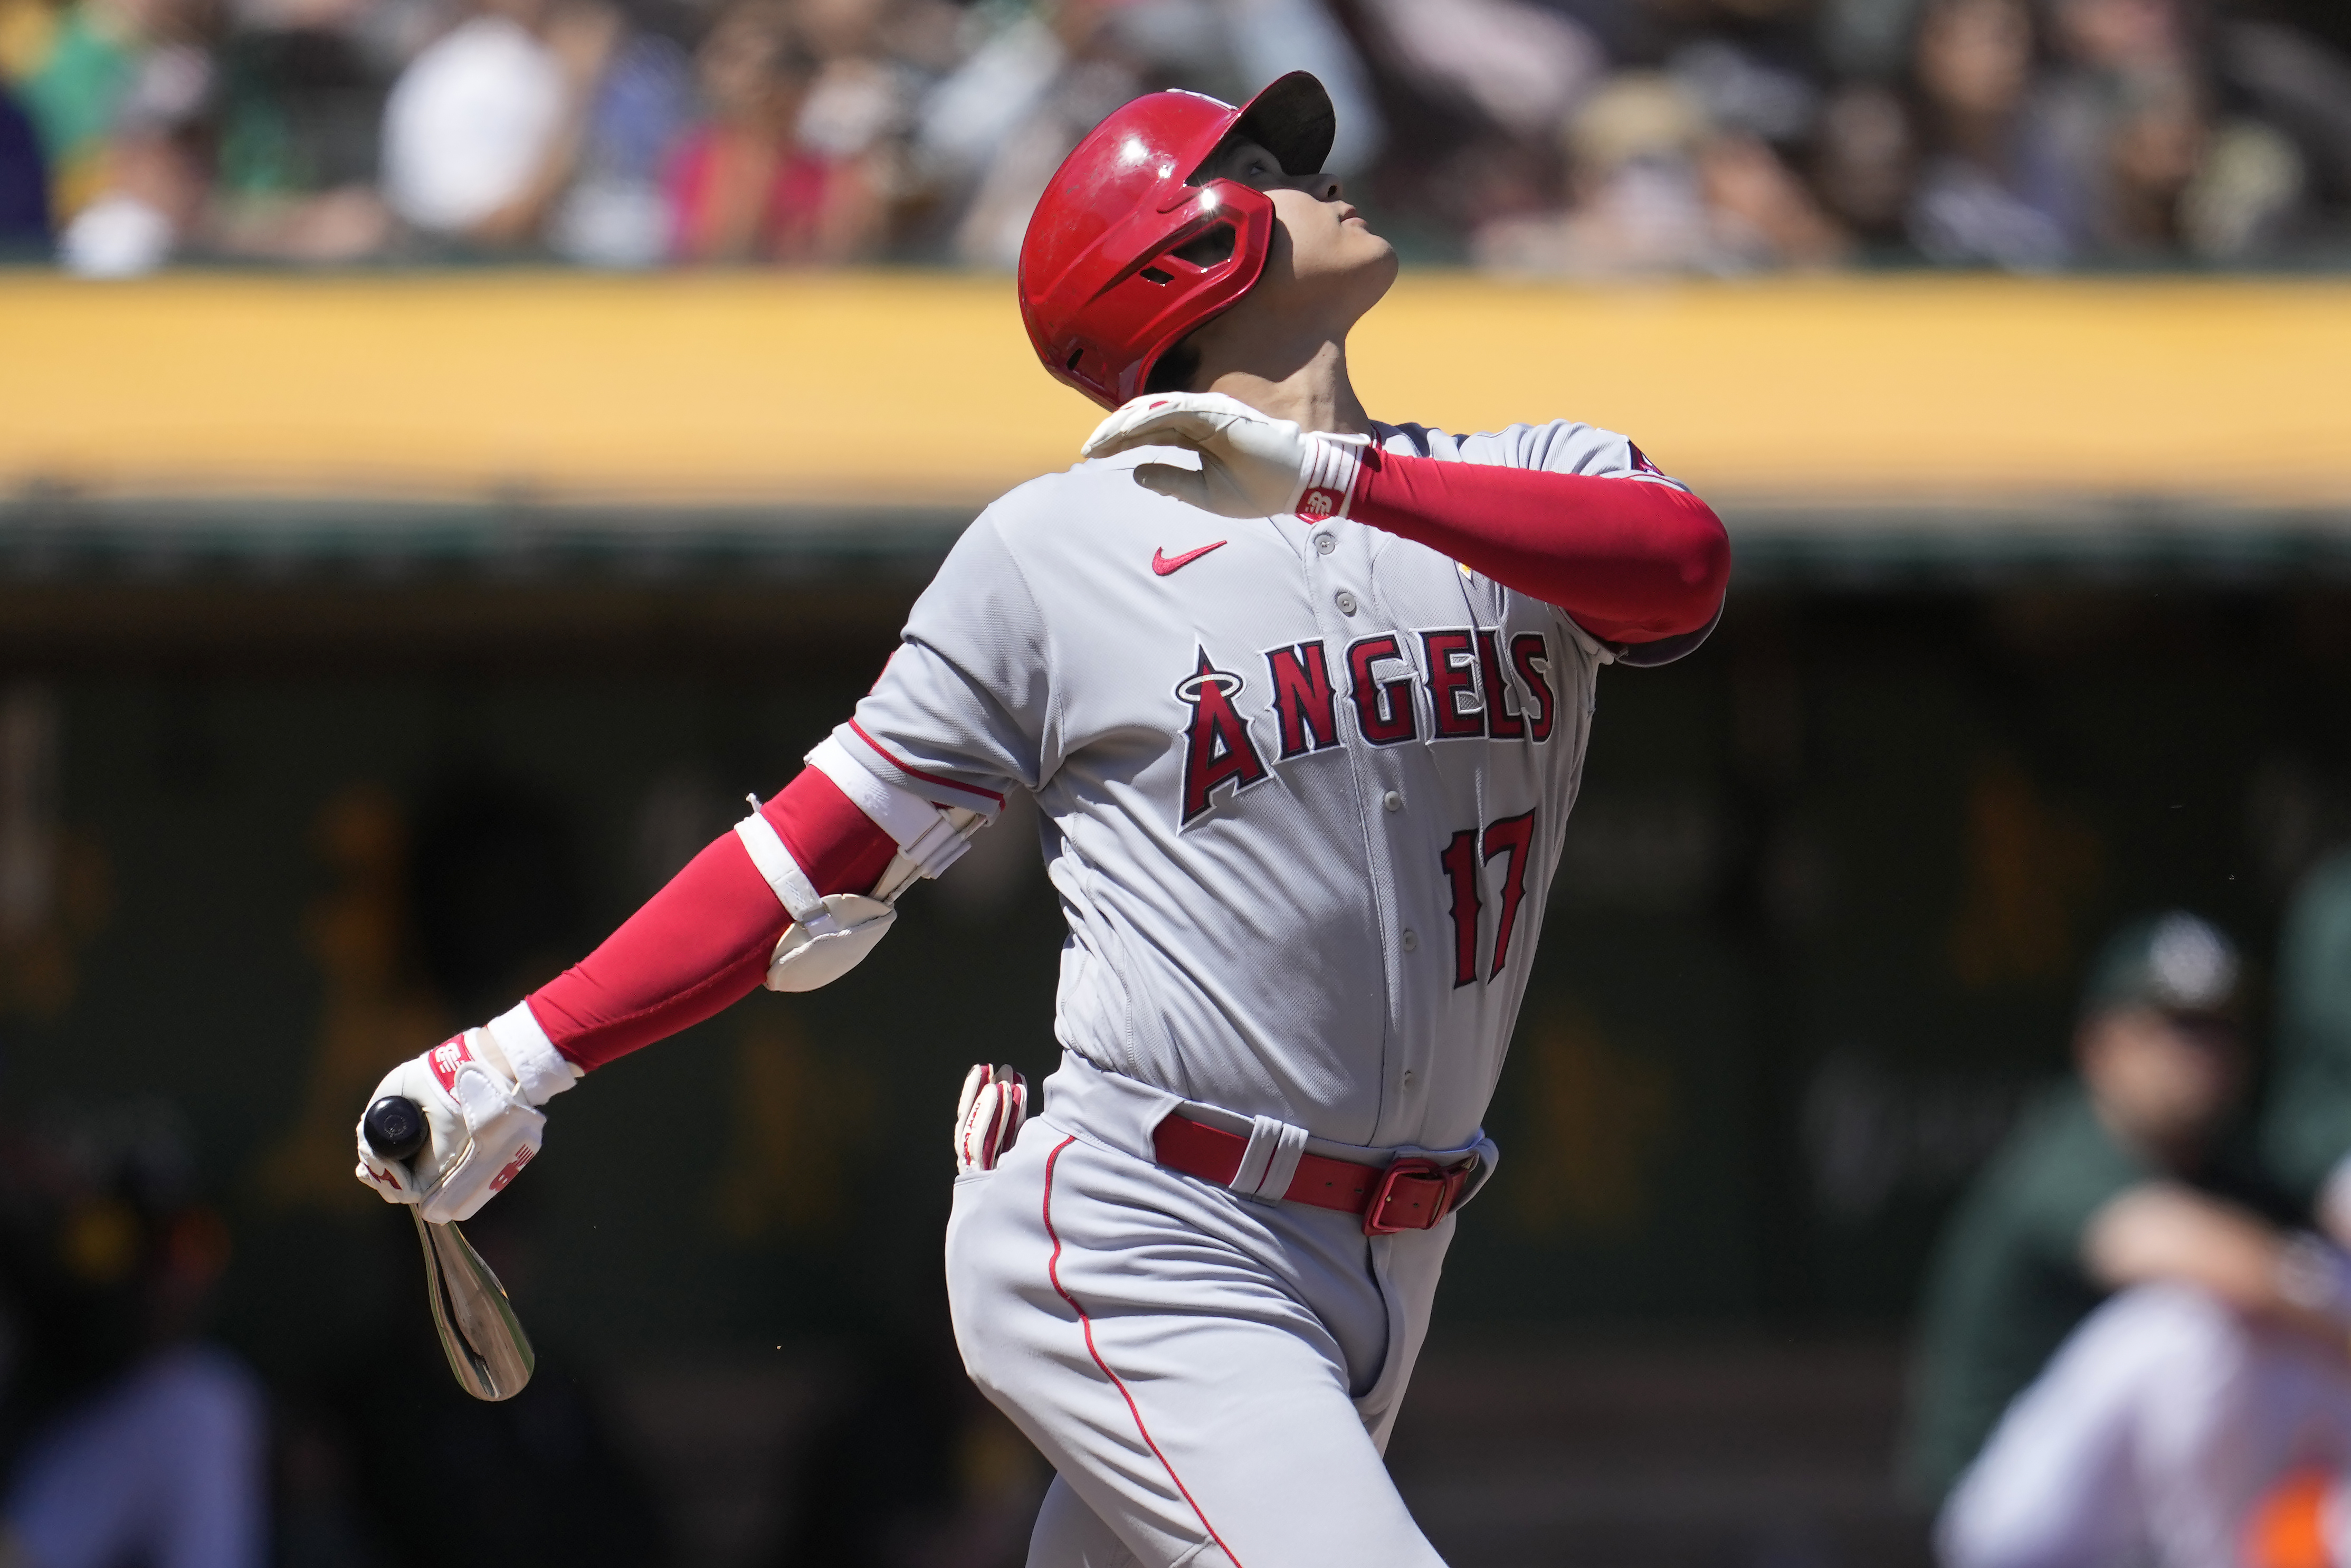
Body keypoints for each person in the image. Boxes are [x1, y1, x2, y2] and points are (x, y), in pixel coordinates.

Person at [351, 70, 1729, 1566]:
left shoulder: (1515, 479)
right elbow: (812, 851)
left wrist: (1340, 478)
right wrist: (516, 1057)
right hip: (1154, 1230)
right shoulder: (1057, 548)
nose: (1319, 179)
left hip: (1394, 1244)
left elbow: (1678, 565)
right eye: (1260, 164)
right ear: (1175, 249)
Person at [1906, 912, 2351, 1568]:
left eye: (2221, 1028)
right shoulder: (2068, 1146)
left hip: (2126, 1518)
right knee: (2196, 1324)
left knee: (2309, 1309)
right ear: (2100, 1044)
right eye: (2177, 1027)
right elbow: (2181, 1252)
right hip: (2008, 1508)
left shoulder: (2233, 1163)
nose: (2204, 1053)